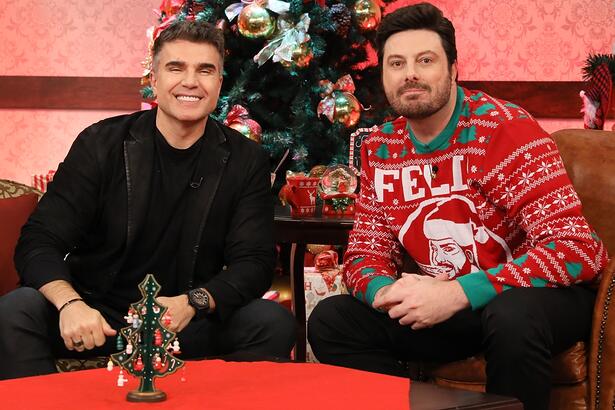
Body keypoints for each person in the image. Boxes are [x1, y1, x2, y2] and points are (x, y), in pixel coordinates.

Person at [307, 3, 607, 409]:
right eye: (396, 63)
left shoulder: (505, 130)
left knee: (512, 315)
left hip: (535, 300)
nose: (410, 73)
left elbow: (579, 250)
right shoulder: (381, 147)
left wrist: (460, 292)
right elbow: (364, 254)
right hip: (455, 308)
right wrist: (389, 292)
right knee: (332, 320)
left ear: (452, 69)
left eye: (425, 60)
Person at [0, 20, 295, 380]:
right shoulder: (100, 144)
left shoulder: (245, 159)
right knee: (17, 310)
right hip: (98, 319)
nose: (190, 81)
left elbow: (255, 261)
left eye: (205, 70)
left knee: (271, 322)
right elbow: (39, 241)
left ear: (219, 84)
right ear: (153, 80)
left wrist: (195, 301)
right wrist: (71, 304)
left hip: (184, 321)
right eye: (176, 68)